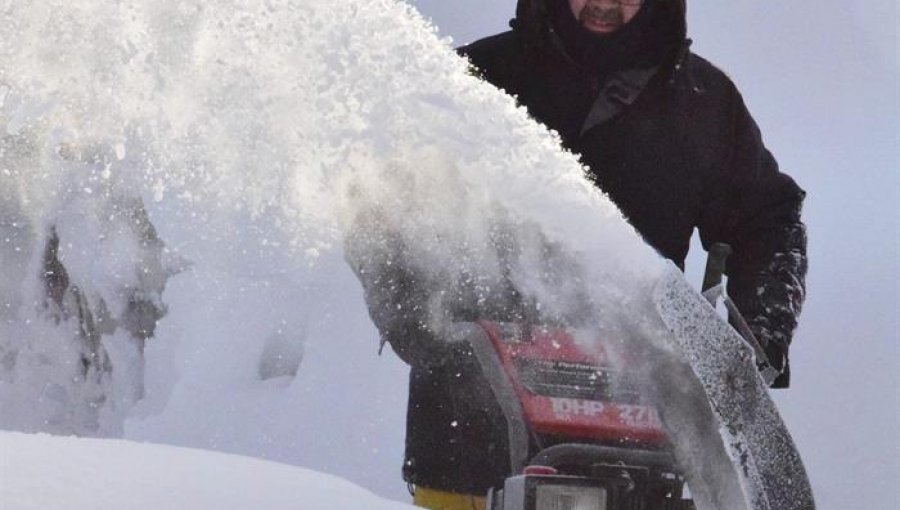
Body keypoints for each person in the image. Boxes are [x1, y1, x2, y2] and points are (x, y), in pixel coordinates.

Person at [349, 0, 808, 508]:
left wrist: (752, 342)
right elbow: (379, 206)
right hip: (469, 447)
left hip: (642, 458)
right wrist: (421, 320)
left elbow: (767, 221)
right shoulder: (474, 83)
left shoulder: (703, 104)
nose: (604, 4)